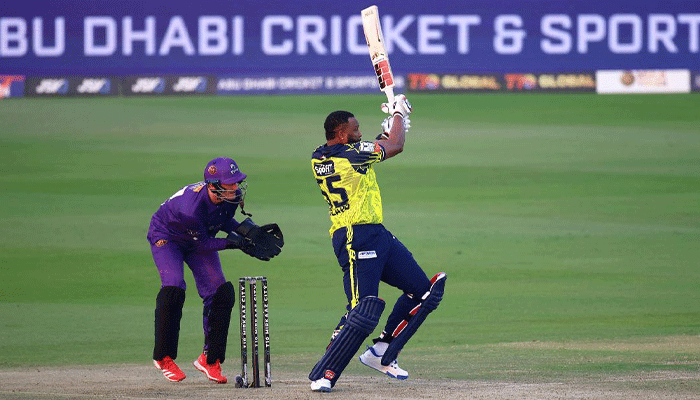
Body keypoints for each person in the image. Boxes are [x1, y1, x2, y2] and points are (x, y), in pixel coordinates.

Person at [308, 95, 446, 392]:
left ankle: (381, 351)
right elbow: (394, 146)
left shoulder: (321, 156)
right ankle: (326, 373)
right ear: (341, 134)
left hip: (377, 233)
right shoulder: (352, 155)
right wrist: (398, 116)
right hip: (353, 237)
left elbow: (375, 147)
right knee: (361, 310)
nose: (360, 133)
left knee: (423, 292)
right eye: (355, 129)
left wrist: (389, 131)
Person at [148, 157, 283, 383]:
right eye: (230, 184)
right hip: (169, 237)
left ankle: (210, 359)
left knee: (221, 293)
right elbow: (202, 245)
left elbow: (222, 220)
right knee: (174, 287)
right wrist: (235, 243)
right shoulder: (190, 209)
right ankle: (163, 357)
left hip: (198, 236)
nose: (236, 187)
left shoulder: (230, 198)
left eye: (237, 182)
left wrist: (247, 233)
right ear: (213, 186)